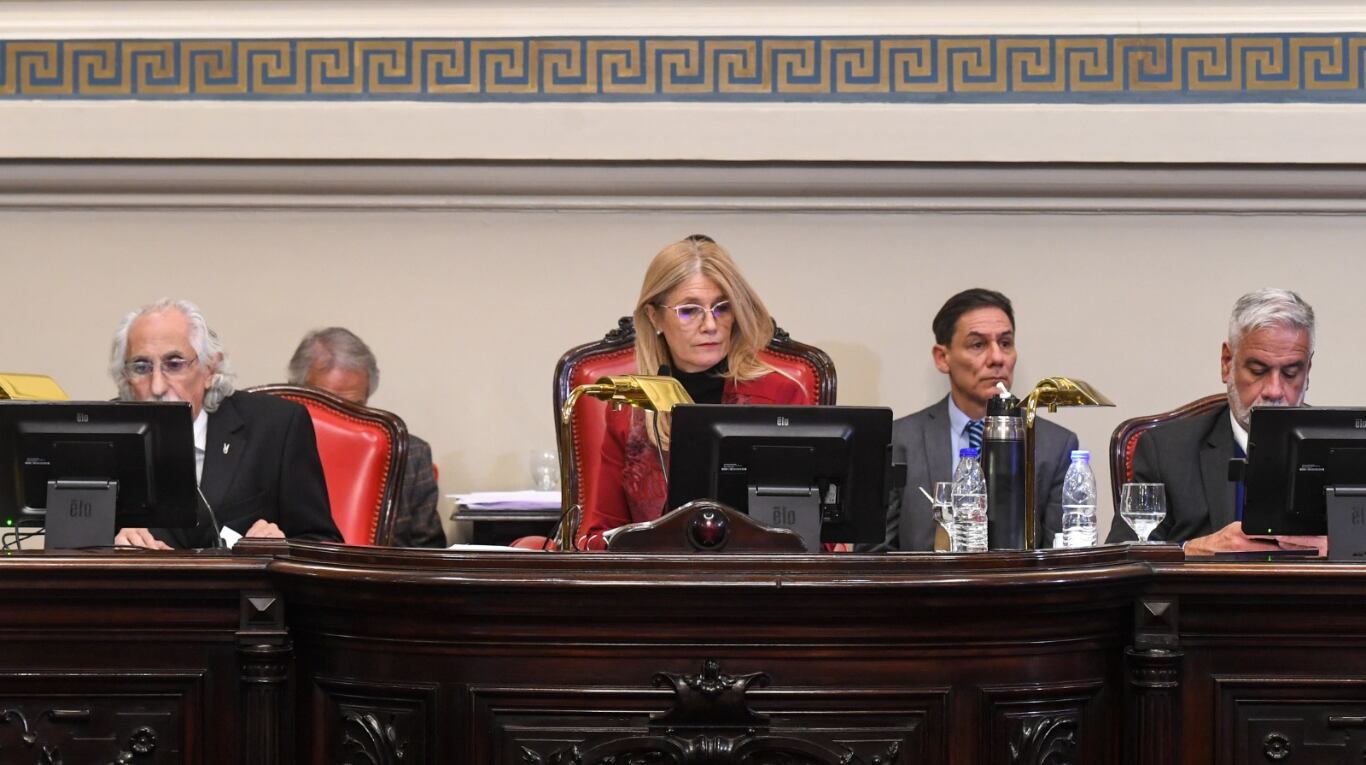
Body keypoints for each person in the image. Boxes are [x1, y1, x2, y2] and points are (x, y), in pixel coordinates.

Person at [577, 235, 809, 550]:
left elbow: (807, 533)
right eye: (690, 311)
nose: (710, 325)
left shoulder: (780, 393)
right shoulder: (629, 408)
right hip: (653, 586)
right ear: (654, 316)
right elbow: (597, 533)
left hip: (760, 584)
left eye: (722, 308)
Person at [1106, 288, 1324, 555]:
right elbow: (1121, 554)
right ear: (1226, 363)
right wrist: (1190, 550)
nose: (1274, 390)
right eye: (1258, 371)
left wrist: (1343, 548)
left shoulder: (1346, 447)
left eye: (1291, 373)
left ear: (1308, 371)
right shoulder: (1165, 451)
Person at [110, 299, 342, 549]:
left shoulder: (276, 427)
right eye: (141, 367)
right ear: (126, 377)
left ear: (210, 369)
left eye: (174, 364)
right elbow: (69, 547)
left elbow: (324, 544)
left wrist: (280, 547)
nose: (157, 386)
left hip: (242, 588)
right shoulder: (101, 434)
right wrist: (111, 546)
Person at [878, 288, 1079, 551]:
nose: (997, 358)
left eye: (1005, 343)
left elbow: (1062, 558)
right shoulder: (900, 440)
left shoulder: (1056, 445)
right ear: (943, 357)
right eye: (978, 344)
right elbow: (875, 556)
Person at [287, 327, 447, 548]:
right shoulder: (267, 449)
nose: (341, 420)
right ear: (297, 394)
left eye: (354, 407)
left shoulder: (410, 456)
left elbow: (430, 552)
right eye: (327, 406)